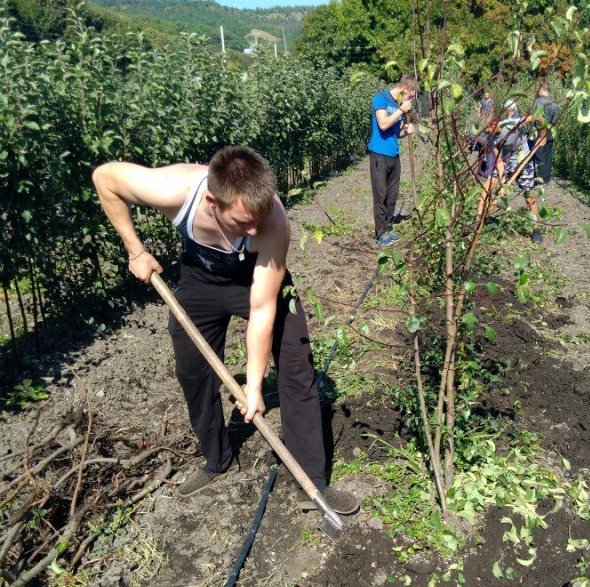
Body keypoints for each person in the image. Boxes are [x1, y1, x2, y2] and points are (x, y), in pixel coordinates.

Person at [92, 146, 359, 513]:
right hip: (200, 279)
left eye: (257, 219)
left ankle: (311, 481)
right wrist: (135, 250)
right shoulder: (173, 189)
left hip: (258, 279)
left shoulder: (273, 223)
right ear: (212, 201)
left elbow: (262, 309)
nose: (252, 230)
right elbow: (105, 178)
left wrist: (253, 383)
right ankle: (217, 459)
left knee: (297, 366)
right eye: (242, 222)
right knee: (192, 372)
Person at [368, 75, 417, 246]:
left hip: (394, 155)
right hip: (379, 155)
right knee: (380, 195)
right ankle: (381, 233)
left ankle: (388, 227)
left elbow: (396, 133)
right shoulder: (380, 98)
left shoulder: (399, 106)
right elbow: (383, 124)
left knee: (392, 195)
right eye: (410, 96)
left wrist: (407, 131)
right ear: (404, 89)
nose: (410, 100)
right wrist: (401, 110)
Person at [477, 100, 538, 221]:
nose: (487, 135)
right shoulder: (490, 139)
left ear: (494, 124)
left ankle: (535, 229)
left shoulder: (512, 124)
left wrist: (542, 135)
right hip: (506, 161)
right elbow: (498, 159)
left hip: (523, 162)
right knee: (487, 186)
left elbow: (537, 116)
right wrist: (503, 179)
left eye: (487, 131)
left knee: (529, 196)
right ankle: (479, 219)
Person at [529, 82, 559, 184]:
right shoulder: (554, 103)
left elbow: (533, 118)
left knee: (539, 156)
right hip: (550, 131)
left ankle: (540, 180)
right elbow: (554, 121)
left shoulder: (536, 102)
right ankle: (546, 178)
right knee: (548, 155)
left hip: (538, 132)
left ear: (541, 90)